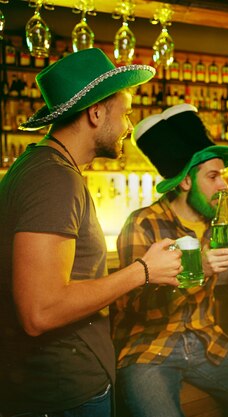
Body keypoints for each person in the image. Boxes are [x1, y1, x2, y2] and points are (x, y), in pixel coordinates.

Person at [0, 48, 182, 417]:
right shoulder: (53, 178)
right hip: (63, 393)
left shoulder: (42, 168)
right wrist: (143, 271)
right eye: (126, 113)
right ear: (96, 114)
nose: (130, 127)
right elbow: (40, 310)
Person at [112, 104, 228, 417]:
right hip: (148, 348)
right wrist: (199, 270)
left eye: (222, 175)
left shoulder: (216, 224)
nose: (224, 184)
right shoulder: (143, 224)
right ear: (184, 182)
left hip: (206, 342)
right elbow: (135, 303)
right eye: (213, 176)